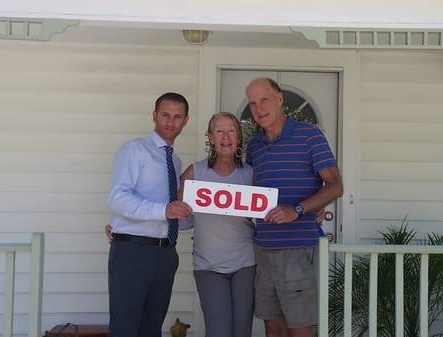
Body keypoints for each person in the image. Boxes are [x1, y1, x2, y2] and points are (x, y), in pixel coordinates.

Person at [107, 112, 256, 337]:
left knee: (242, 330)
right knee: (219, 331)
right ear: (210, 137)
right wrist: (120, 226)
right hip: (209, 265)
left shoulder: (252, 175)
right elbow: (179, 216)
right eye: (219, 131)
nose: (225, 137)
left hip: (246, 262)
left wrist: (313, 211)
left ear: (239, 137)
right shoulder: (194, 173)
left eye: (231, 130)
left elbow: (271, 211)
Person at [245, 78, 344, 337]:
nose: (258, 108)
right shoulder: (254, 146)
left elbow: (335, 186)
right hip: (263, 249)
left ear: (279, 99)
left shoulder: (309, 136)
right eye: (252, 103)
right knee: (272, 327)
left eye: (264, 100)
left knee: (299, 329)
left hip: (297, 250)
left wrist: (298, 209)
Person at [107, 92, 193, 337]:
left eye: (177, 117)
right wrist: (163, 210)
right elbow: (118, 198)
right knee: (125, 328)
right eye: (165, 115)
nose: (170, 122)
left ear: (185, 121)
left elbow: (172, 213)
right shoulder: (134, 150)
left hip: (165, 254)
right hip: (133, 252)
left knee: (151, 329)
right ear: (154, 116)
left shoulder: (174, 161)